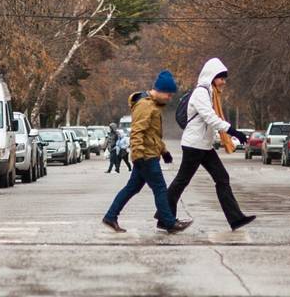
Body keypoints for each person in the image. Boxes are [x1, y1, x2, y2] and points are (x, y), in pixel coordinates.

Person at [165, 58, 255, 231]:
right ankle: (165, 217)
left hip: (204, 145)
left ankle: (236, 219)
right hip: (194, 145)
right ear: (212, 76)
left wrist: (224, 135)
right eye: (221, 78)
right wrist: (232, 131)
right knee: (181, 181)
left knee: (222, 178)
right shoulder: (201, 92)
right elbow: (209, 117)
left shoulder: (211, 92)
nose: (223, 82)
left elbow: (209, 122)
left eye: (224, 78)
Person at [102, 70, 192, 234]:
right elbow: (137, 133)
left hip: (148, 154)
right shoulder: (145, 105)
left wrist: (164, 151)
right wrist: (138, 156)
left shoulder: (152, 105)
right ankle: (169, 222)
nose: (169, 98)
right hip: (145, 156)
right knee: (160, 189)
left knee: (132, 188)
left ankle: (110, 216)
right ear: (161, 90)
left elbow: (153, 134)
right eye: (169, 95)